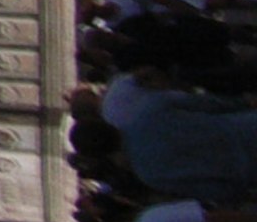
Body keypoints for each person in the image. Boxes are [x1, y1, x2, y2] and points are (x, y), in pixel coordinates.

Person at [105, 74, 257, 204]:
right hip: (245, 127)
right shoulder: (149, 110)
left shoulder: (149, 173)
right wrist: (242, 103)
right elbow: (206, 104)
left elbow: (210, 190)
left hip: (245, 169)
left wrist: (240, 192)